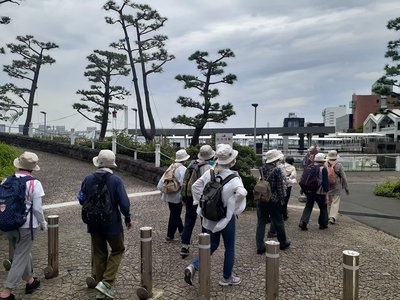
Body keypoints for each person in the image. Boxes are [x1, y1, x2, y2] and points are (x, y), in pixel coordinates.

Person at [184, 144, 247, 286]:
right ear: (232, 161)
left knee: (211, 245)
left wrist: (199, 203)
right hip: (226, 218)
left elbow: (195, 186)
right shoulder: (234, 178)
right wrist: (233, 206)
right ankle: (226, 277)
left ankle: (193, 266)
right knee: (229, 248)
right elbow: (242, 193)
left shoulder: (210, 173)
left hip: (209, 216)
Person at [77, 149, 132, 299]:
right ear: (112, 164)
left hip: (93, 223)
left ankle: (101, 287)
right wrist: (127, 218)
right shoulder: (116, 180)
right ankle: (106, 283)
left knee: (99, 253)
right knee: (118, 249)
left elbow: (81, 199)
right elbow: (124, 203)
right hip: (112, 223)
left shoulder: (88, 179)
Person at [0, 152, 47, 300]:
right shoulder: (34, 183)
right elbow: (38, 209)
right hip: (27, 226)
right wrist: (43, 223)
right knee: (20, 256)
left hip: (8, 222)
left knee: (22, 252)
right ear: (32, 168)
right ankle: (7, 292)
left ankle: (30, 281)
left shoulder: (6, 180)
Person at [180, 145, 215, 258]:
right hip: (201, 199)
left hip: (189, 197)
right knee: (204, 221)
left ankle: (185, 246)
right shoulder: (206, 167)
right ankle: (204, 245)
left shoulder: (192, 163)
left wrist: (184, 198)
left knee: (189, 221)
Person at [255, 149, 291, 255]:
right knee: (278, 222)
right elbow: (280, 187)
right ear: (275, 159)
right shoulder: (277, 170)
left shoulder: (262, 168)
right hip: (273, 200)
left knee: (261, 222)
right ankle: (283, 243)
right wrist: (282, 200)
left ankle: (260, 246)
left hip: (262, 198)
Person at [157, 149, 190, 242]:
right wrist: (185, 197)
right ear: (185, 159)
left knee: (174, 213)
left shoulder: (172, 166)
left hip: (168, 193)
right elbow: (183, 183)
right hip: (177, 195)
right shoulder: (183, 169)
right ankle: (169, 235)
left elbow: (162, 181)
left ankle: (182, 230)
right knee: (175, 215)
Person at [299, 152, 329, 231]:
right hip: (319, 191)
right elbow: (325, 182)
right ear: (323, 161)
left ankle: (303, 222)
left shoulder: (309, 167)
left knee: (308, 206)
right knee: (323, 207)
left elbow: (304, 179)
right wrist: (326, 193)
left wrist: (302, 189)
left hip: (308, 190)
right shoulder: (323, 169)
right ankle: (323, 224)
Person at [325, 150, 349, 224]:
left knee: (329, 202)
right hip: (337, 186)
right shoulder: (339, 165)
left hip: (327, 186)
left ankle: (329, 215)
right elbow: (344, 177)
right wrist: (346, 187)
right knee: (335, 202)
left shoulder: (325, 164)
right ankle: (332, 217)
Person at [282, 156, 297, 220]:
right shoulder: (292, 167)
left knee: (280, 199)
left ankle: (280, 214)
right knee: (286, 200)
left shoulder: (282, 166)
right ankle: (284, 215)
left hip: (281, 184)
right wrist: (289, 179)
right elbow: (294, 175)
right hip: (288, 185)